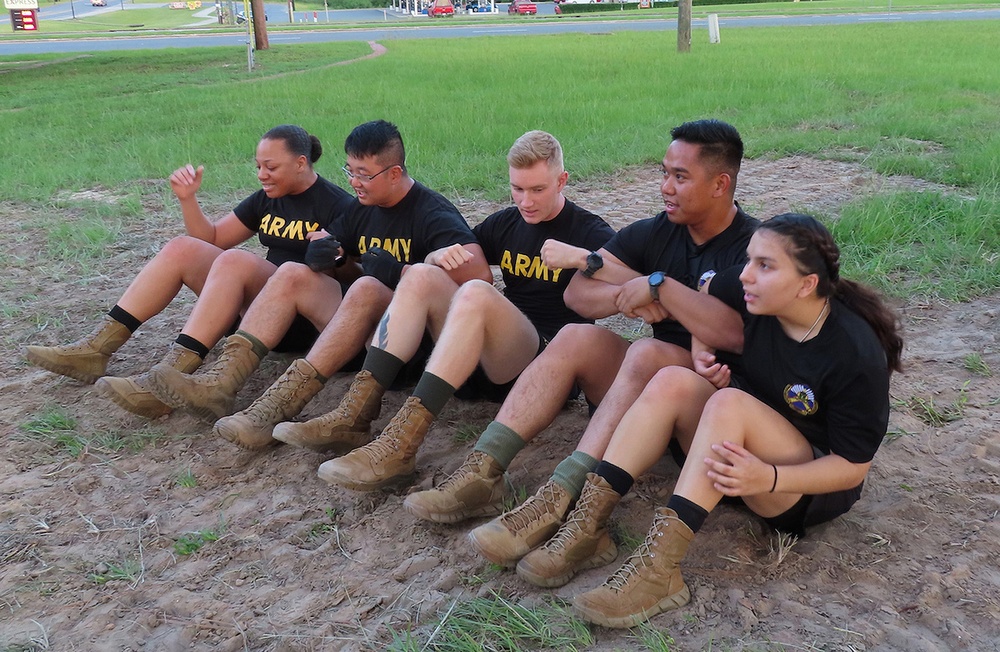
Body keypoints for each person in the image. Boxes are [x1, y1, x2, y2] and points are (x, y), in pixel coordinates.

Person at [403, 119, 757, 567]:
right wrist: (625, 294)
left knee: (650, 353)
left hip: (706, 412)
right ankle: (483, 472)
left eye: (680, 177)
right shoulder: (657, 231)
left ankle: (564, 500)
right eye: (664, 172)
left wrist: (660, 287)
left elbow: (735, 334)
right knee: (575, 336)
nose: (665, 186)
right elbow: (577, 293)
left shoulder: (752, 247)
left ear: (721, 183)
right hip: (642, 399)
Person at [533, 213, 903, 628]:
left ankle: (659, 573)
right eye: (748, 260)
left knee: (730, 403)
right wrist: (700, 350)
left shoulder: (854, 352)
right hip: (730, 459)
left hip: (794, 485)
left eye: (765, 265)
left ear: (806, 284)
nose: (745, 275)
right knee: (673, 378)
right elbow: (705, 293)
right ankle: (588, 526)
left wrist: (769, 478)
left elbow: (853, 468)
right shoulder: (747, 290)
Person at [284, 130, 616, 491]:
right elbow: (462, 260)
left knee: (475, 291)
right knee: (425, 274)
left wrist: (585, 258)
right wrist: (431, 257)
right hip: (487, 364)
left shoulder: (588, 229)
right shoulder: (505, 222)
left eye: (537, 190)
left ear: (562, 181)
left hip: (544, 362)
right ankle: (360, 415)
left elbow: (629, 282)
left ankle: (403, 442)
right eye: (517, 189)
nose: (526, 201)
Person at [147, 119, 492, 447]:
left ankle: (332, 411)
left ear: (395, 173)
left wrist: (404, 270)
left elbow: (481, 278)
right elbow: (339, 255)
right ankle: (232, 391)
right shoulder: (362, 208)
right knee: (294, 272)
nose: (354, 182)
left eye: (364, 174)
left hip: (413, 346)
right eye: (350, 171)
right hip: (362, 330)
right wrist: (331, 259)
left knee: (368, 287)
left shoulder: (433, 213)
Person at [25, 124, 353, 419]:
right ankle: (96, 349)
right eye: (258, 167)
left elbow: (353, 280)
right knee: (182, 247)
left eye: (271, 167)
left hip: (298, 320)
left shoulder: (338, 205)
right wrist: (188, 199)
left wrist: (332, 258)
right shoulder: (266, 199)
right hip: (255, 313)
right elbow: (211, 239)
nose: (261, 175)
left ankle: (166, 381)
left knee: (234, 260)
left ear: (300, 163)